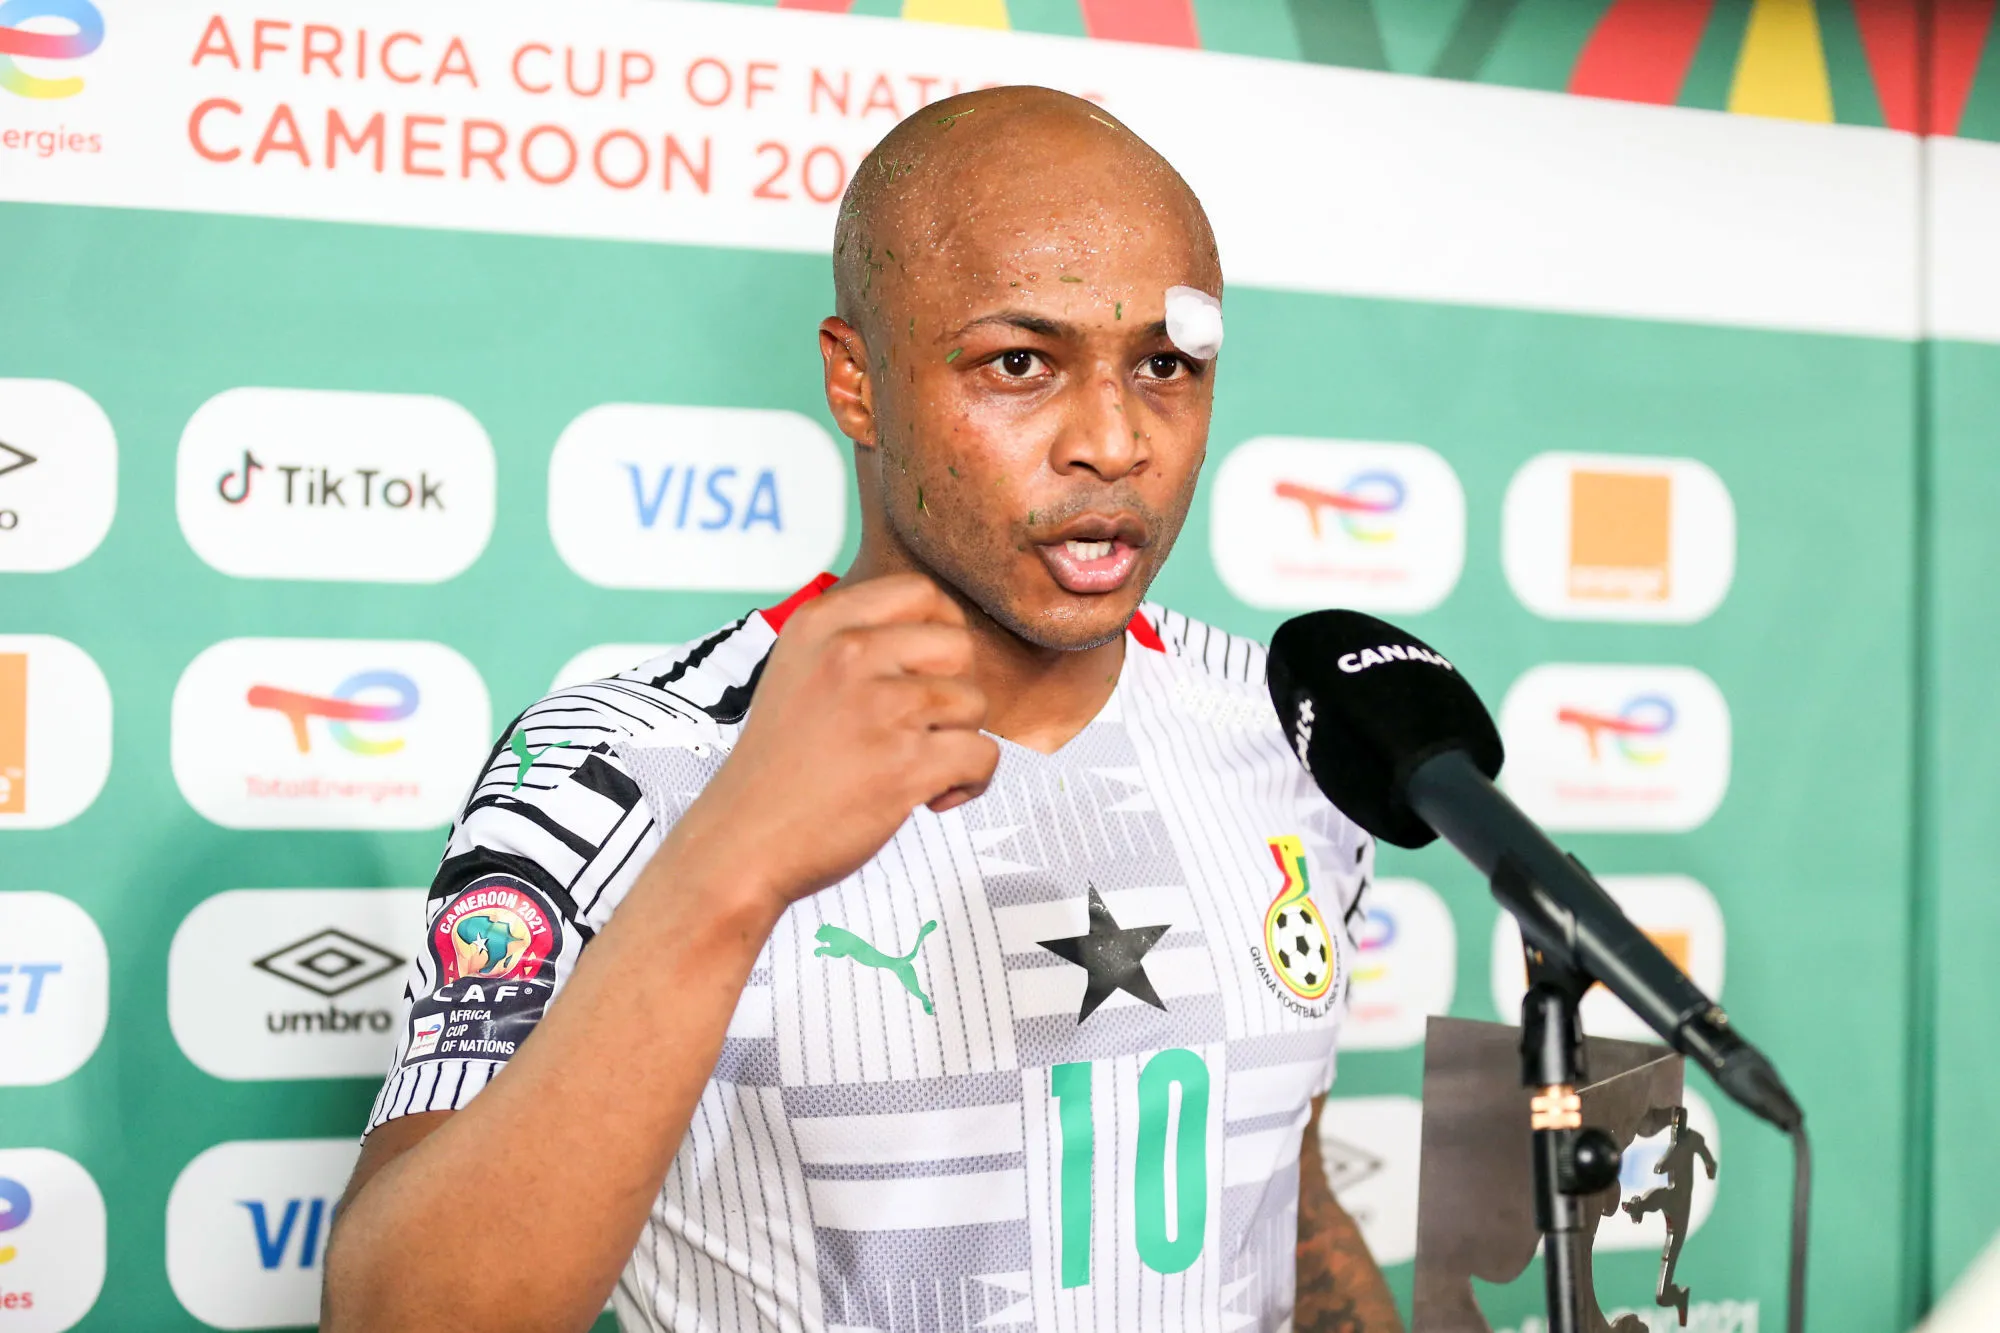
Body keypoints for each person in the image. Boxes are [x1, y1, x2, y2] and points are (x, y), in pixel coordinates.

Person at [322, 85, 1403, 1333]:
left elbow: (1278, 1196)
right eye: (1018, 363)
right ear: (855, 382)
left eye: (1164, 365)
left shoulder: (1293, 730)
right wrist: (731, 862)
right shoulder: (613, 766)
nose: (1113, 442)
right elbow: (397, 1317)